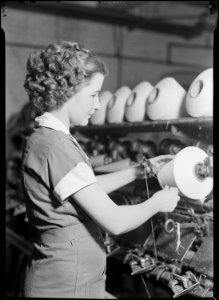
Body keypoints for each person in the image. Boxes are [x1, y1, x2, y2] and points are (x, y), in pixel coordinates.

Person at [21, 41, 180, 298]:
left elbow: (84, 190)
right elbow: (115, 221)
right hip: (65, 286)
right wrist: (157, 203)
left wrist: (138, 172)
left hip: (71, 281)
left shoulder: (48, 139)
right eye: (94, 94)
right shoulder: (55, 146)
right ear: (68, 91)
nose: (97, 105)